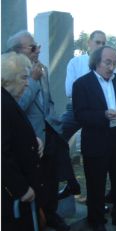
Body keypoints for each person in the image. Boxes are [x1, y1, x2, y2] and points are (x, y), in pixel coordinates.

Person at [6, 30, 71, 231]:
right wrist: (32, 81)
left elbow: (48, 100)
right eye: (33, 47)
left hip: (47, 133)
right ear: (18, 50)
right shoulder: (9, 72)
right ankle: (39, 215)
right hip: (27, 138)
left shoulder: (40, 69)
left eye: (38, 46)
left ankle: (51, 213)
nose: (37, 50)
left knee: (50, 177)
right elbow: (17, 107)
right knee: (36, 179)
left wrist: (53, 119)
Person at [72, 46, 116, 231]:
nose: (112, 67)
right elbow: (80, 115)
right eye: (107, 62)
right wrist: (103, 115)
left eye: (115, 63)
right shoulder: (81, 84)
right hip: (95, 142)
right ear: (96, 62)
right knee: (95, 185)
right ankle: (96, 221)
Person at [60, 30, 107, 198]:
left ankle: (99, 196)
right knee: (56, 138)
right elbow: (68, 90)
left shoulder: (106, 64)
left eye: (103, 43)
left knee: (102, 150)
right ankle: (71, 182)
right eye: (98, 42)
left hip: (100, 112)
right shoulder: (76, 62)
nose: (101, 46)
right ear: (89, 42)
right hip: (75, 109)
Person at [1, 52, 43, 231]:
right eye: (24, 77)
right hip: (13, 197)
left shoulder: (7, 99)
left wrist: (33, 141)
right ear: (7, 80)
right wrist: (21, 188)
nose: (28, 82)